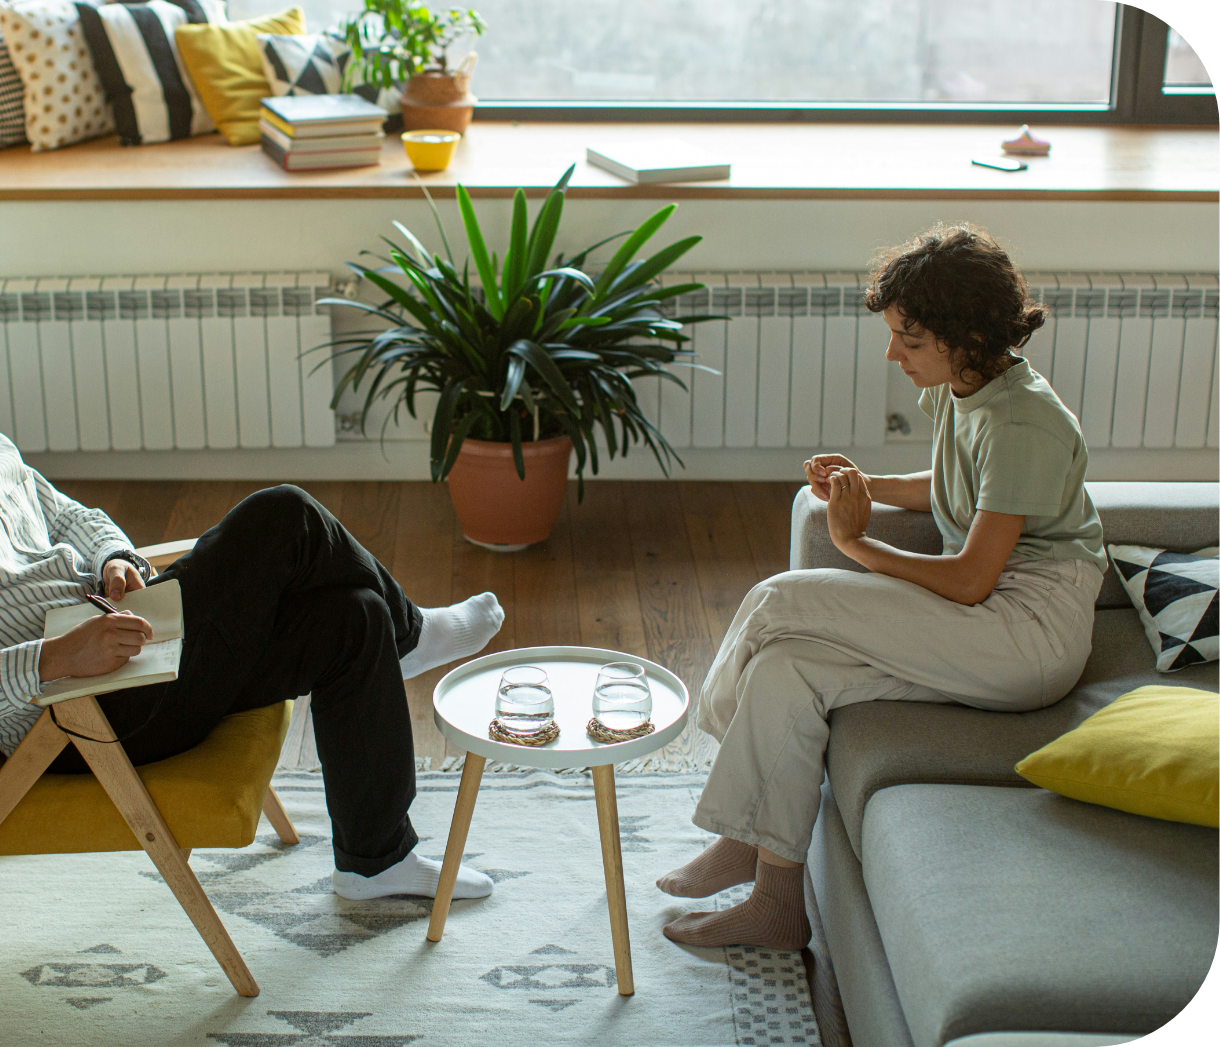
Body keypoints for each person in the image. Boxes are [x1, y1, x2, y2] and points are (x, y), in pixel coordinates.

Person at [657, 223, 1108, 950]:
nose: (893, 352)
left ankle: (724, 777)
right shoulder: (965, 386)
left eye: (912, 338)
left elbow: (968, 580)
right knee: (785, 668)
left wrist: (855, 544)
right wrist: (863, 484)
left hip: (1028, 632)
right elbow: (960, 487)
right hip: (988, 617)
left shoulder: (1029, 422)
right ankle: (774, 900)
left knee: (777, 600)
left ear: (965, 336)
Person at [0, 448, 505, 902]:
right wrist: (59, 657)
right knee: (283, 513)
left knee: (355, 617)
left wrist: (116, 557)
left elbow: (67, 516)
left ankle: (376, 862)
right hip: (74, 714)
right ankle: (410, 638)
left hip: (116, 627)